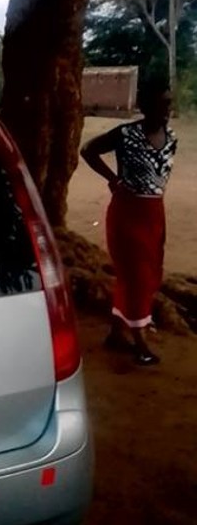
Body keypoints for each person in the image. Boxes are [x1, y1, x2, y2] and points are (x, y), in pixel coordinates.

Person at [80, 81, 177, 365]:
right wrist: (113, 179)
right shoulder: (126, 134)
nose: (167, 109)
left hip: (154, 213)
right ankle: (140, 341)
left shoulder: (171, 137)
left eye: (169, 103)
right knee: (137, 276)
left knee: (147, 273)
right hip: (127, 213)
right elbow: (88, 150)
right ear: (146, 106)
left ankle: (116, 332)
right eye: (161, 103)